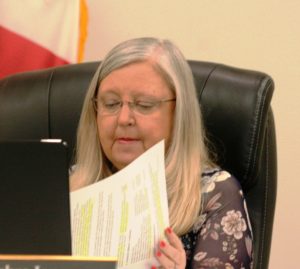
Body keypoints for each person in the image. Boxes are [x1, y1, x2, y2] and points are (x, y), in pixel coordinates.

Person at [70, 37, 253, 269]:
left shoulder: (214, 196)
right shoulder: (67, 186)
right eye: (111, 103)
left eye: (144, 105)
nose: (124, 119)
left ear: (178, 114)